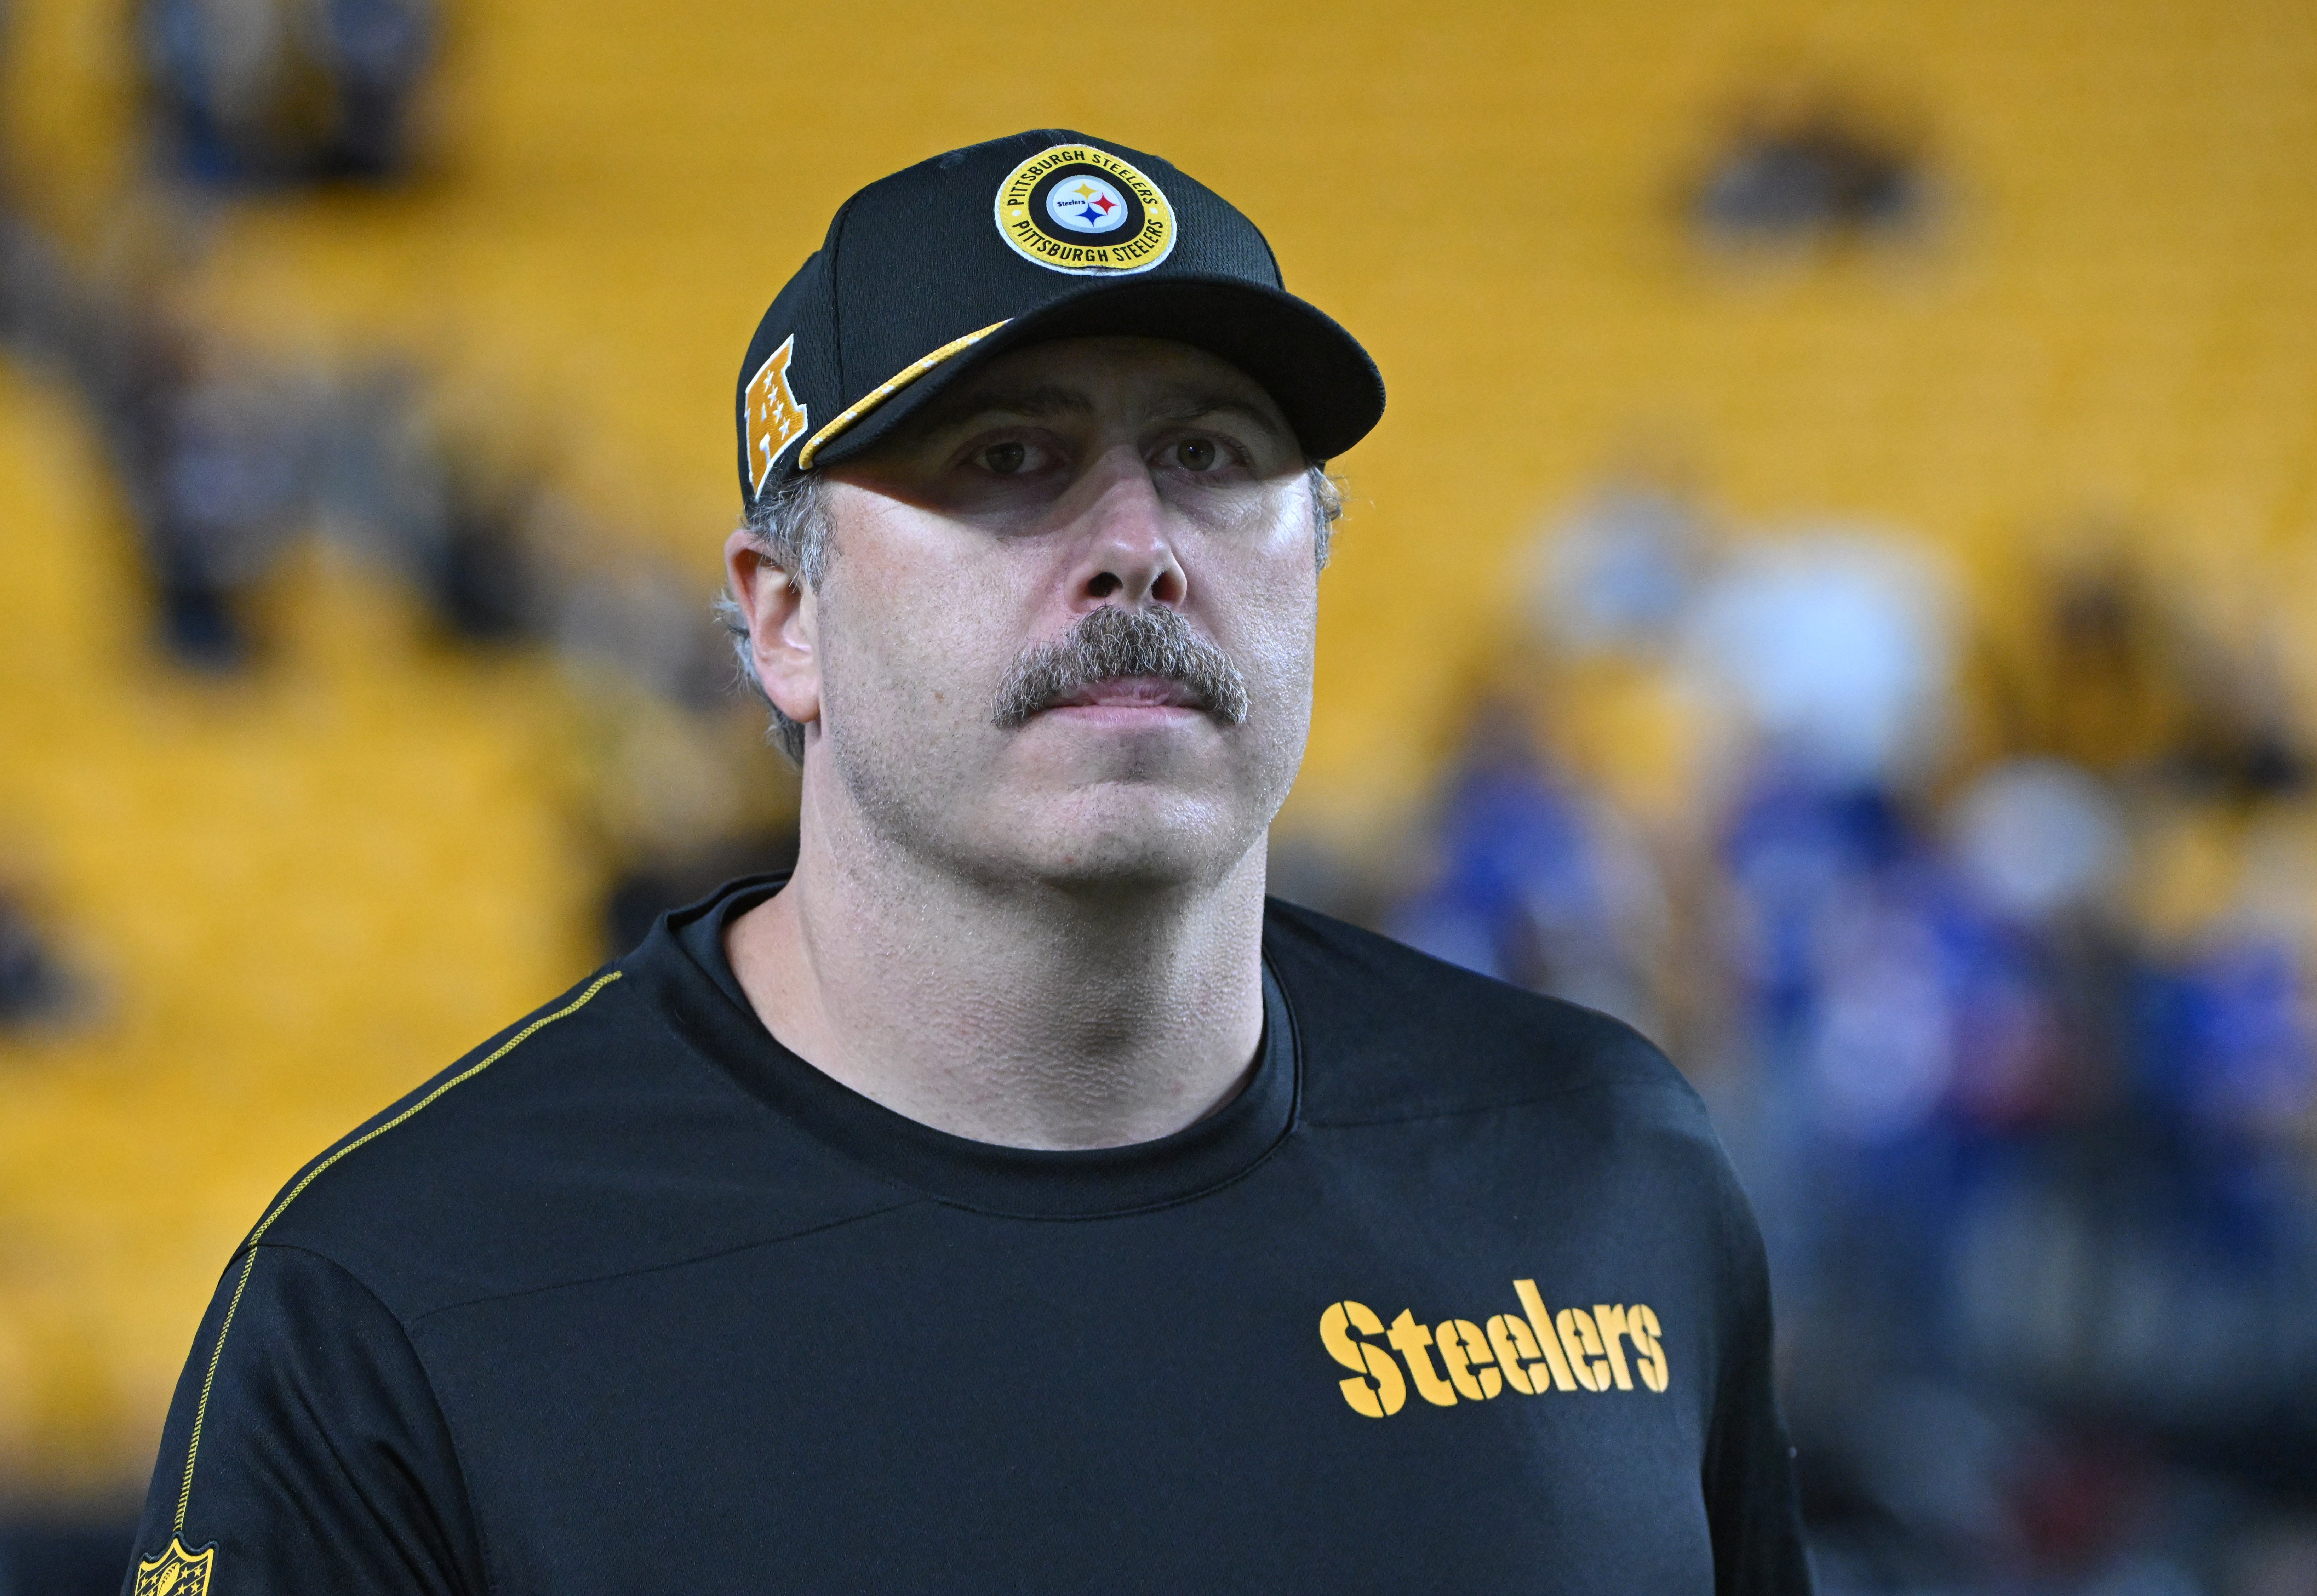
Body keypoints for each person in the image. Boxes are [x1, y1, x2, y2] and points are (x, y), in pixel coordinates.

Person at [125, 130, 1811, 1595]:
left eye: (1214, 459)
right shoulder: (401, 1300)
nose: (1137, 550)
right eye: (1008, 459)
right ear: (785, 619)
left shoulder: (1600, 1168)